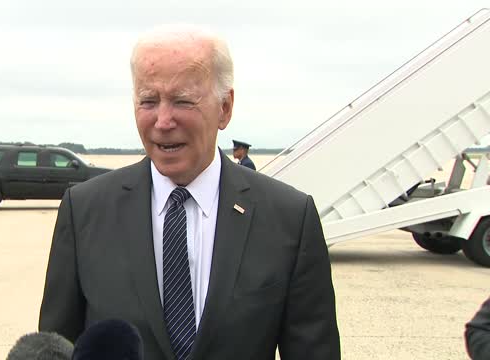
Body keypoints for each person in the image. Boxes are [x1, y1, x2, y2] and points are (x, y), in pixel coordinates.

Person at [39, 26, 340, 360]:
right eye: (148, 101)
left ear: (225, 108)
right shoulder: (84, 211)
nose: (163, 121)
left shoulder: (290, 218)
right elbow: (57, 347)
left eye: (182, 101)